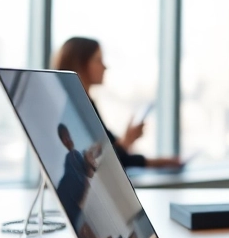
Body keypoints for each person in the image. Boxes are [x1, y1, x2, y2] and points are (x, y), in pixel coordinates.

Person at [52, 37, 182, 169]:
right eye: (98, 60)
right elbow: (103, 161)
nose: (104, 67)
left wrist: (161, 162)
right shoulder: (77, 110)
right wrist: (127, 141)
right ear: (80, 64)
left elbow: (115, 154)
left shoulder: (84, 105)